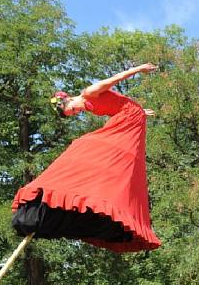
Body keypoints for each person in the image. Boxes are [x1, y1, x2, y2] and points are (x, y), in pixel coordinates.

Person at [11, 63, 161, 253]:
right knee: (91, 144)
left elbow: (114, 80)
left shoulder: (89, 93)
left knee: (87, 143)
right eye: (71, 114)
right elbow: (118, 104)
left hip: (129, 117)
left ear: (69, 99)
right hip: (130, 116)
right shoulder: (89, 107)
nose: (75, 112)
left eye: (72, 109)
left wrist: (138, 70)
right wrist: (138, 111)